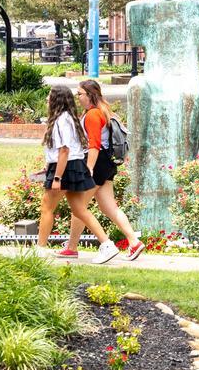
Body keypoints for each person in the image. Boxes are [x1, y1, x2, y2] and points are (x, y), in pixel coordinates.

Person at [40, 85, 118, 263]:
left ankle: (40, 249)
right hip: (69, 166)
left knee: (47, 207)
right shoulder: (66, 118)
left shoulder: (62, 119)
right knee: (79, 210)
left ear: (57, 99)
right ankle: (107, 244)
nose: (46, 99)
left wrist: (57, 177)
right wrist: (48, 166)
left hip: (66, 167)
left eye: (49, 96)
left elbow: (65, 151)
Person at [79, 79, 144, 261]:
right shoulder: (104, 112)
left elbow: (94, 145)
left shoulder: (93, 115)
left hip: (97, 162)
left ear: (89, 95)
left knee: (78, 206)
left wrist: (89, 168)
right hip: (108, 163)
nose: (78, 98)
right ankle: (134, 242)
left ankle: (106, 245)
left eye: (80, 94)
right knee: (109, 207)